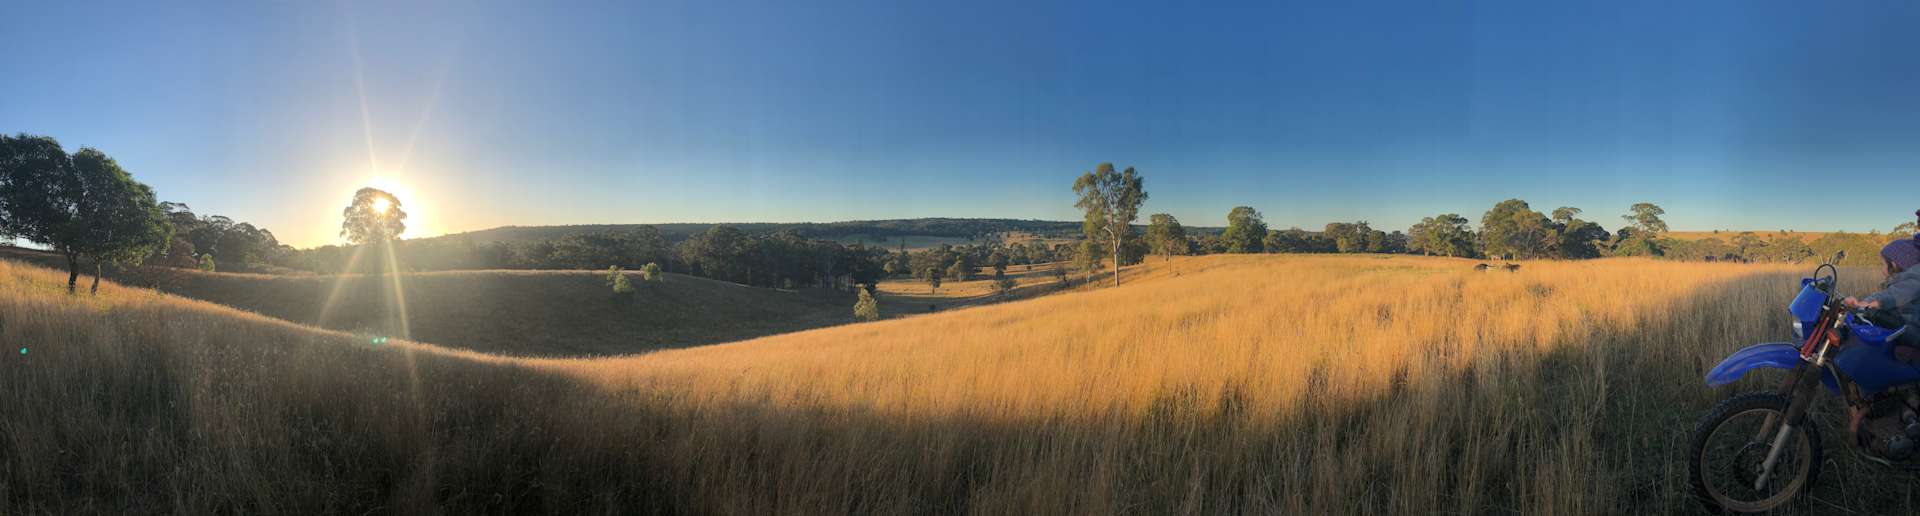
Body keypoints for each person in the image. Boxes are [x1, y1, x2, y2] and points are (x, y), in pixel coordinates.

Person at [1844, 238, 1920, 338]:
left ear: (1893, 264)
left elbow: (1889, 297)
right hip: (1905, 328)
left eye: (1882, 264)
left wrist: (1862, 304)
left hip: (1912, 334)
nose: (1881, 268)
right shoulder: (1907, 280)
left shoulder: (1913, 282)